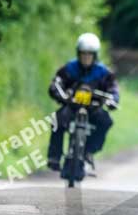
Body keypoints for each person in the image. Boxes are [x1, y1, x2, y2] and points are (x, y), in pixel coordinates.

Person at [47, 33, 119, 172]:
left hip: (93, 108)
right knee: (56, 120)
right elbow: (56, 82)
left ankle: (89, 151)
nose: (86, 57)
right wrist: (58, 92)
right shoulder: (69, 68)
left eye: (89, 54)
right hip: (72, 106)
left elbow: (113, 88)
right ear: (78, 53)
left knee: (106, 122)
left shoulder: (103, 72)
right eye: (83, 53)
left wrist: (113, 99)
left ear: (95, 55)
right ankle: (54, 157)